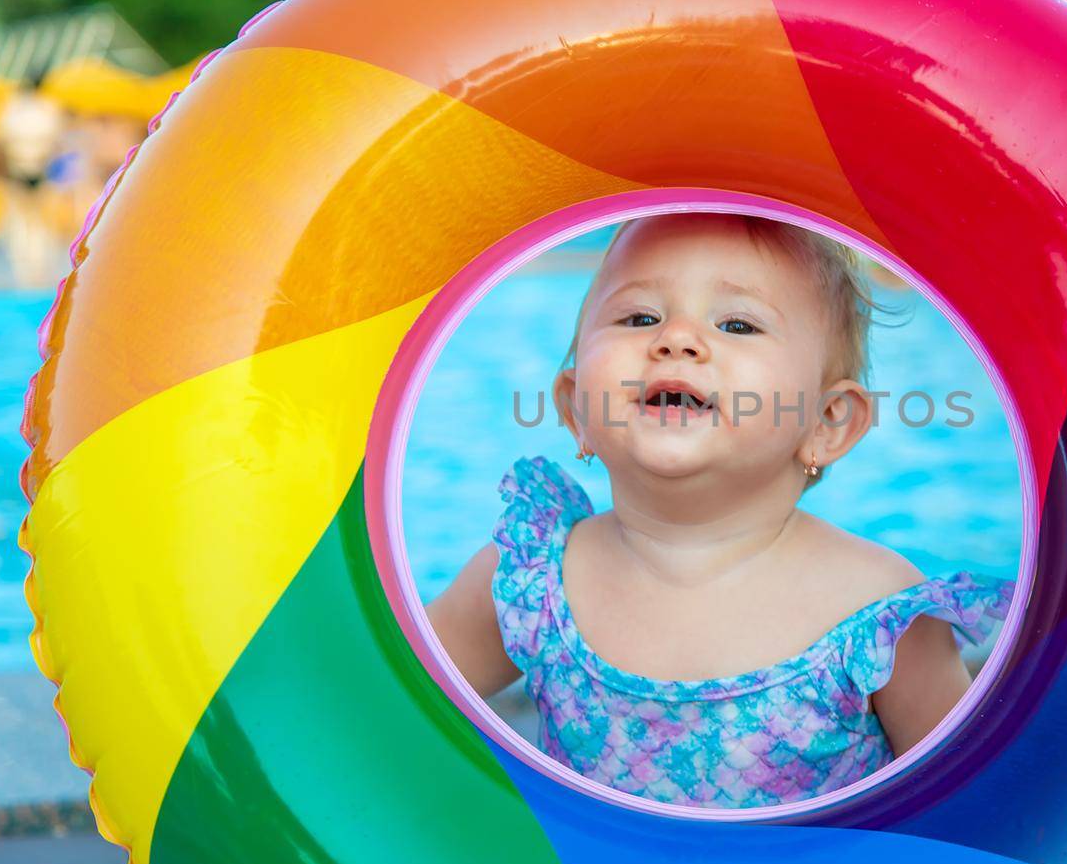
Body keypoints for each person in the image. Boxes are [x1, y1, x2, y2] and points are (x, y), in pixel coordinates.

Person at [428, 213, 1012, 808]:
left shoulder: (880, 618)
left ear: (826, 423)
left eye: (737, 323)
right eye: (640, 318)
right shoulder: (528, 581)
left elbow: (973, 813)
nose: (676, 339)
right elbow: (379, 706)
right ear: (576, 408)